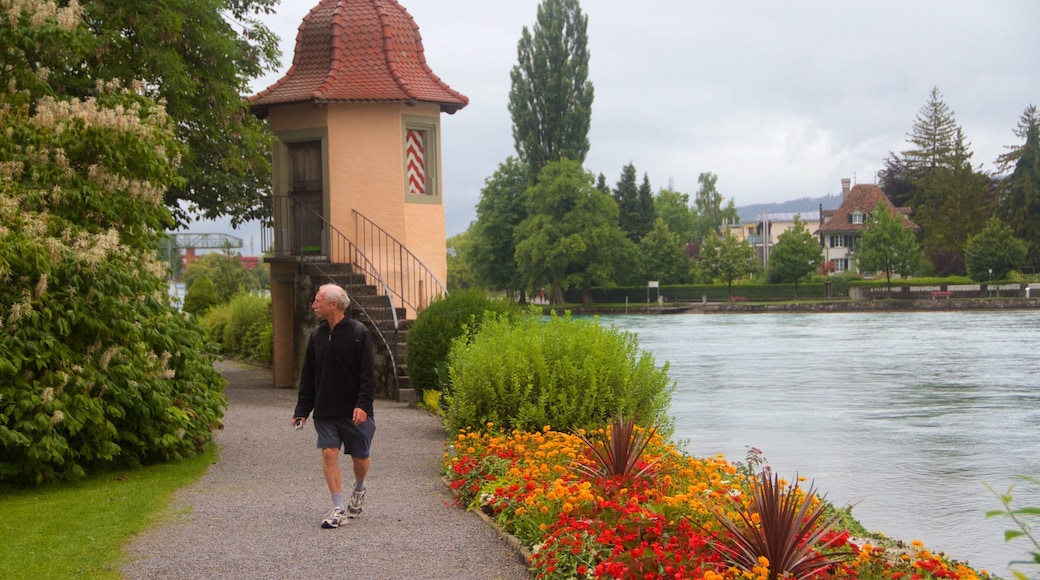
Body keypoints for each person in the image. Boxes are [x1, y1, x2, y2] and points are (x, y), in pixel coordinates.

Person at [291, 283, 376, 529]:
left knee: (360, 458)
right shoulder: (316, 335)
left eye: (317, 300)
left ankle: (359, 488)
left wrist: (363, 404)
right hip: (325, 409)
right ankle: (338, 508)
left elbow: (367, 375)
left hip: (355, 411)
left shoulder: (359, 333)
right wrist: (302, 411)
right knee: (329, 453)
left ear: (333, 305)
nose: (313, 305)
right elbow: (308, 375)